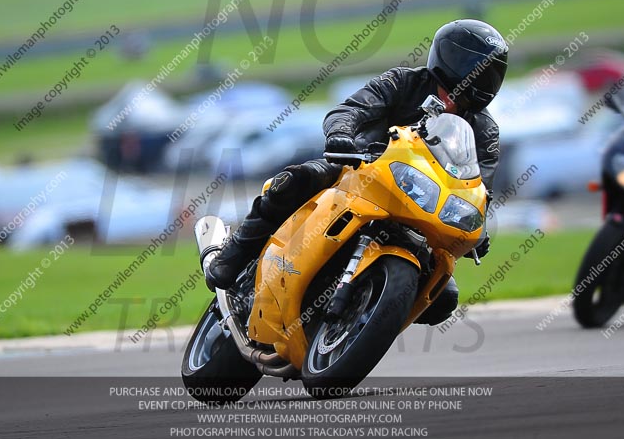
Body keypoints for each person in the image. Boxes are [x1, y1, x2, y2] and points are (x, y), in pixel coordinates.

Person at [205, 19, 508, 325]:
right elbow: (349, 110)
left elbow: (480, 188)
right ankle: (234, 254)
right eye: (476, 67)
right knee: (295, 180)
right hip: (360, 171)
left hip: (423, 205)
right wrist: (342, 134)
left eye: (491, 71)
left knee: (444, 299)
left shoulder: (484, 129)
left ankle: (364, 318)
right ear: (450, 58)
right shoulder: (403, 81)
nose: (483, 78)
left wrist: (476, 225)